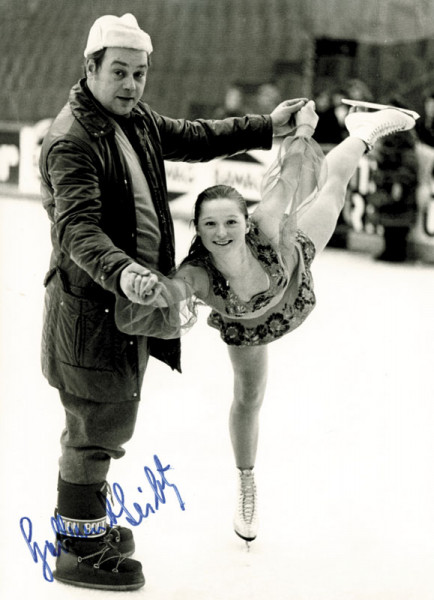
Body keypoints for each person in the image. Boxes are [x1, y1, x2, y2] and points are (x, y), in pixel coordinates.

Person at [38, 12, 310, 591]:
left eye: (139, 73)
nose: (132, 84)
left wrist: (268, 126)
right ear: (90, 68)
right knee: (95, 421)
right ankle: (78, 547)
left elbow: (196, 136)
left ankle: (86, 522)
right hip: (92, 310)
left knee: (109, 413)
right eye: (120, 72)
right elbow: (78, 231)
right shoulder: (72, 139)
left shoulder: (133, 119)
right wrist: (125, 272)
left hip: (124, 308)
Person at [114, 102, 416, 546]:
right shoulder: (199, 273)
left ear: (245, 220)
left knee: (331, 190)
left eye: (230, 221)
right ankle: (246, 482)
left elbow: (291, 172)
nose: (222, 232)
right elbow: (173, 290)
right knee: (249, 396)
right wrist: (144, 286)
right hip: (248, 325)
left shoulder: (267, 223)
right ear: (197, 227)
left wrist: (306, 127)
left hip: (288, 265)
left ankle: (363, 130)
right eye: (210, 225)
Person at [367, 97, 419, 262]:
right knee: (389, 218)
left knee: (398, 218)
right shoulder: (392, 134)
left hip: (398, 183)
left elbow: (407, 161)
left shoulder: (403, 135)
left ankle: (397, 252)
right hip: (390, 181)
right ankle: (391, 250)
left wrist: (398, 181)